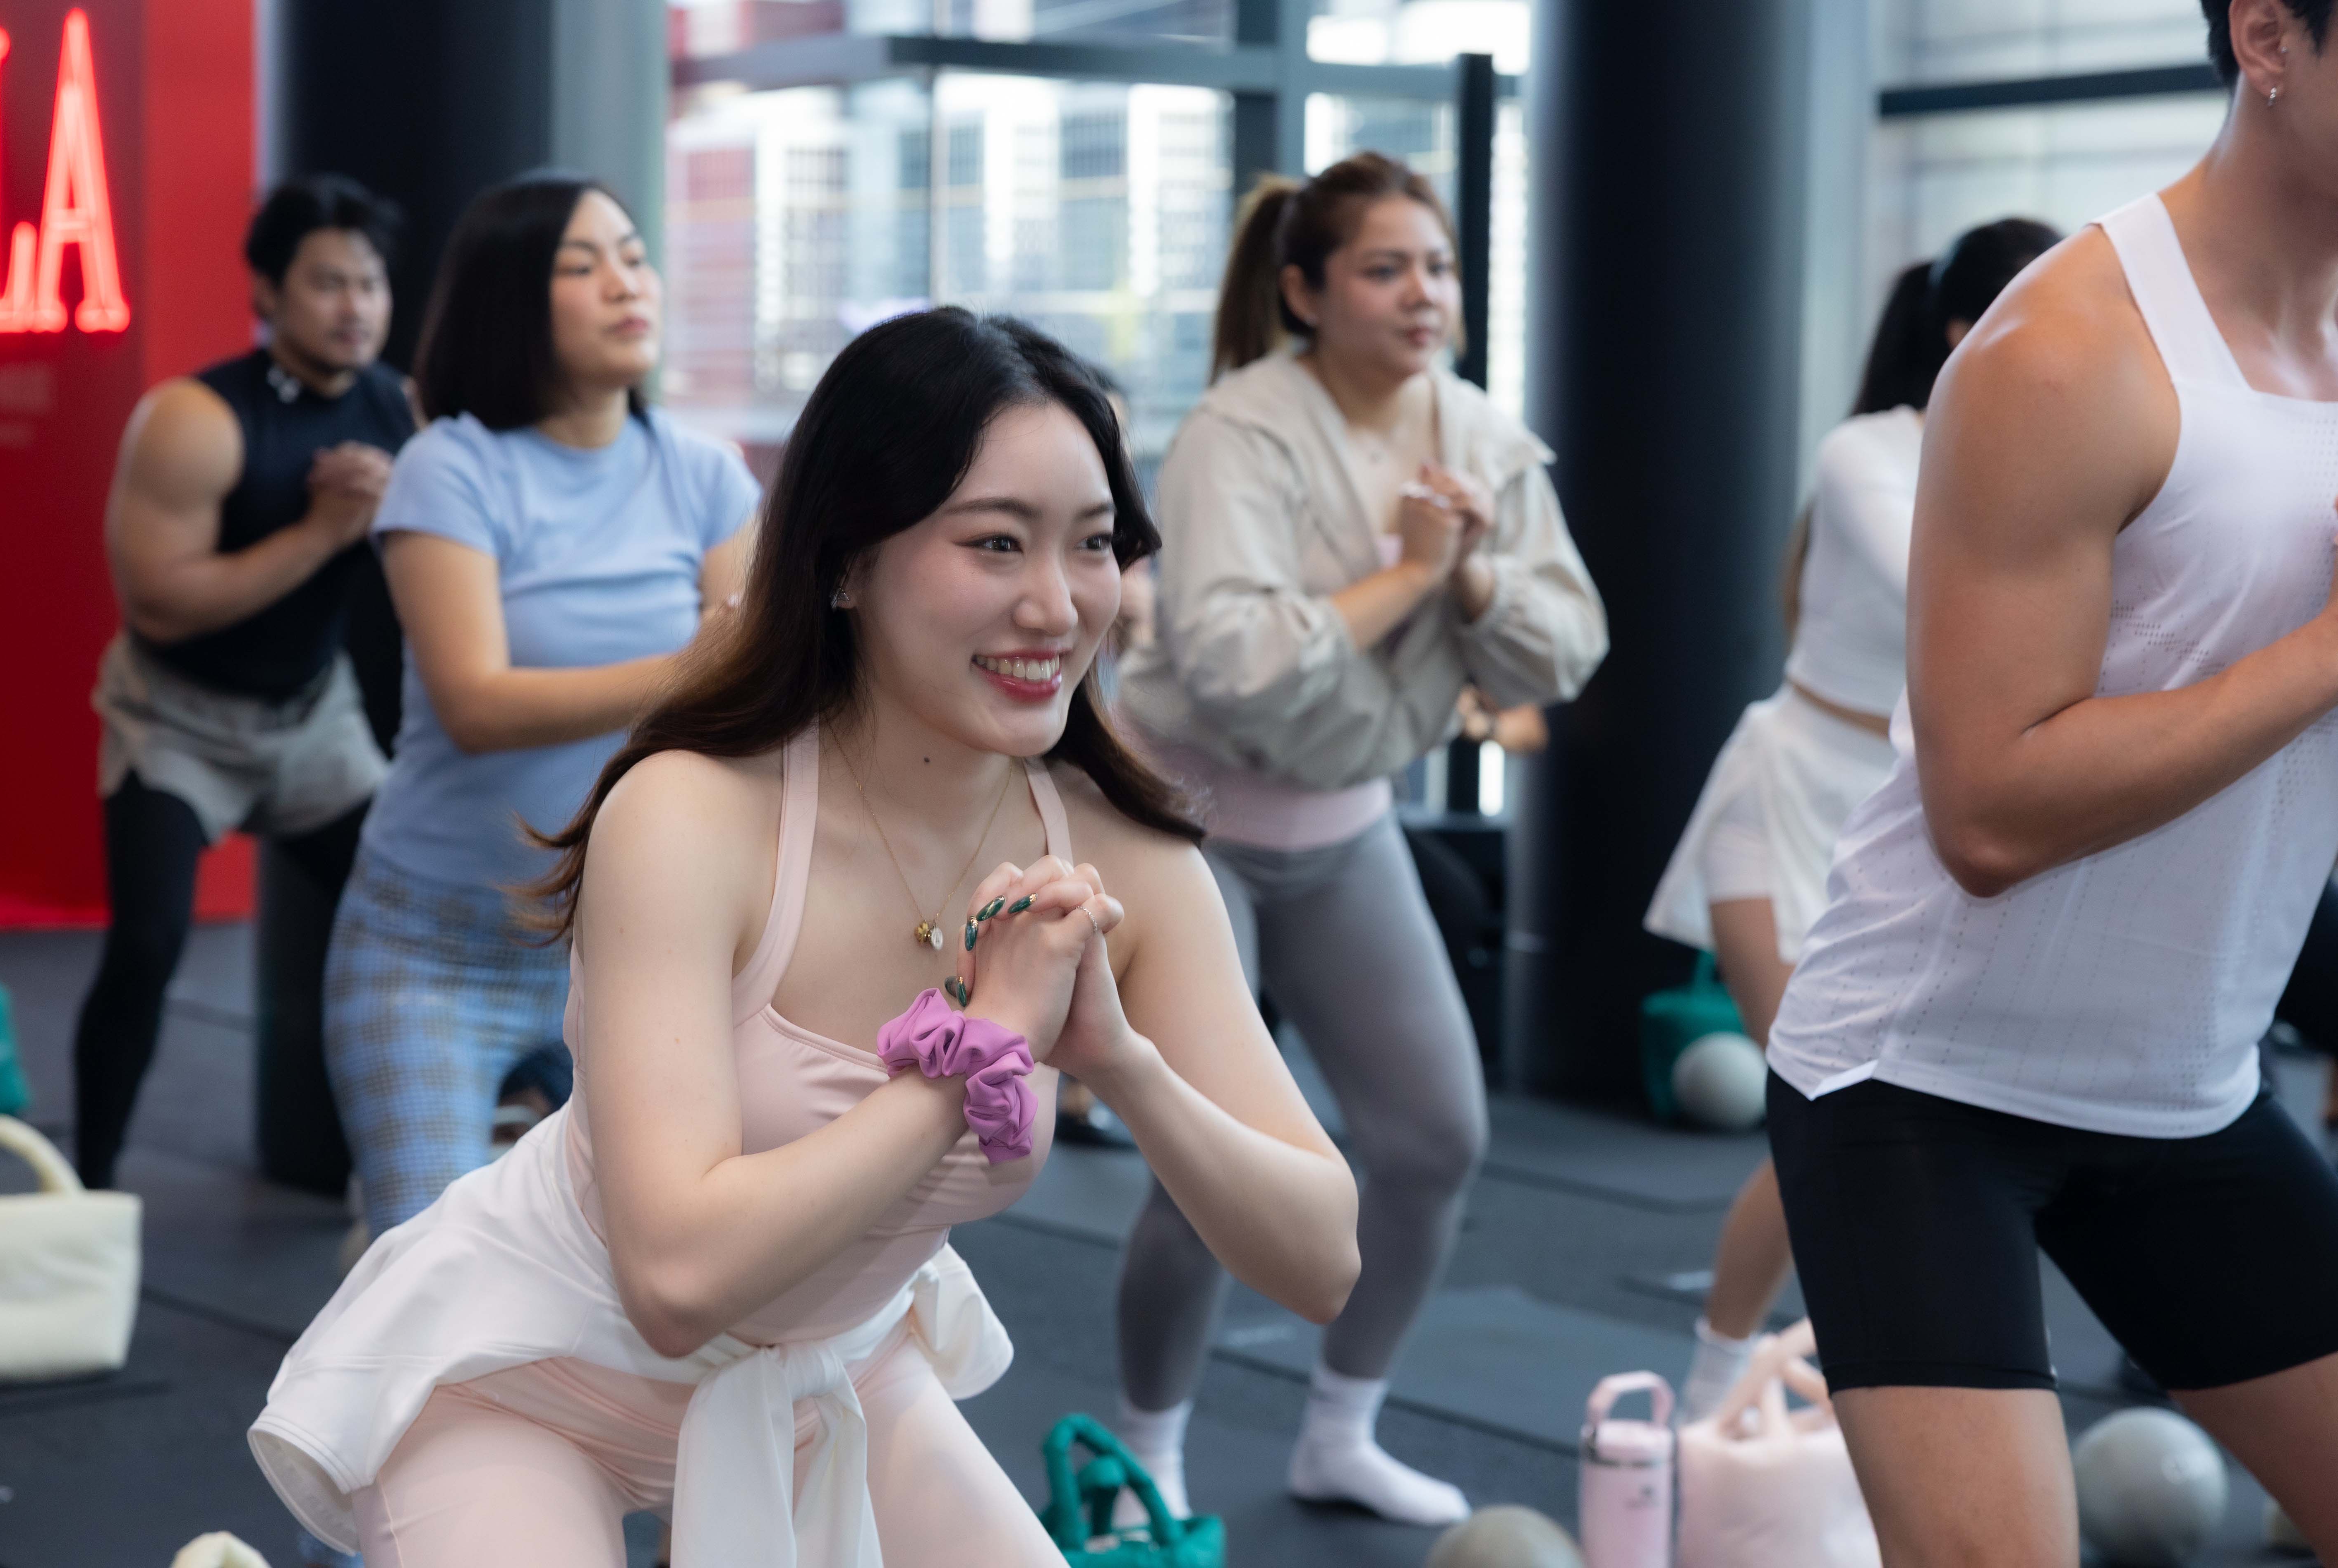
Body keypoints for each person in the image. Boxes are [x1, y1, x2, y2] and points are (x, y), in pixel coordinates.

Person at [249, 307, 1362, 1568]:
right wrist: (979, 1053)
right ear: (844, 562)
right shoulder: (691, 811)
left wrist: (1122, 1062)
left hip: (830, 1371)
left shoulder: (1126, 858)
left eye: (1094, 542)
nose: (1056, 604)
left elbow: (1320, 1257)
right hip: (532, 1366)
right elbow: (673, 1281)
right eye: (994, 542)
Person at [1763, 1, 2338, 1558]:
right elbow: (1988, 812)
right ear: (2266, 35)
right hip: (1924, 1087)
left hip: (2188, 1084)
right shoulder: (2067, 351)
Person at [1112, 151, 1607, 1526]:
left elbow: (1566, 648)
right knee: (1211, 1161)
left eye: (1435, 266)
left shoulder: (1484, 439)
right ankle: (1143, 1455)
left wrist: (1476, 573)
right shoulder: (1237, 430)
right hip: (1182, 823)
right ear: (1304, 292)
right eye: (1384, 268)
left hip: (1341, 825)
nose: (1420, 293)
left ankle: (1339, 1430)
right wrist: (1407, 574)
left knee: (1434, 1137)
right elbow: (1230, 663)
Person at [1643, 219, 2061, 1423]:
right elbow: (1947, 578)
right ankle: (1710, 1396)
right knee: (1816, 1108)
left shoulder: (2057, 463)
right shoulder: (1867, 450)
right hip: (1783, 794)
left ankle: (1862, 1391)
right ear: (1962, 330)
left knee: (1902, 1126)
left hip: (1905, 815)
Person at [321, 174, 759, 1242]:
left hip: (630, 948)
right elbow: (477, 702)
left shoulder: (704, 474)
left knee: (636, 1269)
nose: (626, 283)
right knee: (428, 1267)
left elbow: (745, 690)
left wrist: (718, 669)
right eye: (582, 264)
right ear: (515, 298)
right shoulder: (450, 467)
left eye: (634, 257)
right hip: (433, 947)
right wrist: (693, 664)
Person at [74, 175, 412, 1192]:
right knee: (148, 944)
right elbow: (161, 605)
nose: (354, 306)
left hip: (314, 720)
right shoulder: (195, 417)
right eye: (326, 283)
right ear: (267, 292)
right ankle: (90, 1190)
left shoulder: (398, 408)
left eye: (369, 283)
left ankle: (400, 1170)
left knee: (414, 913)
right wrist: (323, 532)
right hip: (175, 721)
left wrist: (398, 510)